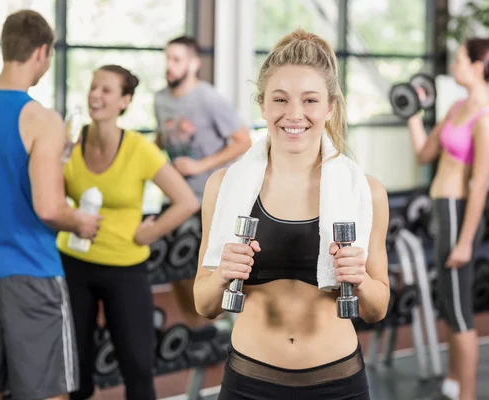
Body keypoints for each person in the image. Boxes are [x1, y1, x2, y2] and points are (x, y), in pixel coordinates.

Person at [194, 29, 390, 400]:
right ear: (263, 106)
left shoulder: (364, 191)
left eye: (310, 100)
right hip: (248, 383)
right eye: (280, 99)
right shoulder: (225, 187)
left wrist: (359, 279)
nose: (294, 114)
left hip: (338, 384)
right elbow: (204, 305)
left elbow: (377, 308)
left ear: (330, 106)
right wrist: (223, 273)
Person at [0, 9, 102, 400]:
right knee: (47, 393)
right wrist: (82, 223)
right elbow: (49, 207)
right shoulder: (40, 118)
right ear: (42, 52)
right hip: (28, 273)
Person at [55, 64, 199, 400]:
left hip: (125, 268)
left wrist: (149, 234)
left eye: (106, 90)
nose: (95, 95)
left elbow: (186, 201)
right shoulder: (72, 141)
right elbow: (52, 194)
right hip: (73, 262)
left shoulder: (138, 148)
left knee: (137, 366)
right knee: (75, 372)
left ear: (124, 100)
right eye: (93, 87)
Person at [406, 38, 489, 400]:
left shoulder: (488, 119)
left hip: (460, 213)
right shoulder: (456, 107)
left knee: (459, 311)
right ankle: (452, 380)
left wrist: (464, 241)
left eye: (461, 59)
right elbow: (423, 153)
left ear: (478, 67)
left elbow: (479, 185)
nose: (455, 64)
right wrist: (411, 111)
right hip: (441, 210)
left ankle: (468, 395)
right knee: (447, 304)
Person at [153, 35, 252, 337]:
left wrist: (200, 165)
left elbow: (243, 141)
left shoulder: (209, 99)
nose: (170, 65)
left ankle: (225, 324)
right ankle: (197, 328)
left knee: (204, 269)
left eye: (177, 59)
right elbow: (163, 140)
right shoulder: (160, 99)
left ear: (194, 63)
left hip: (210, 199)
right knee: (174, 267)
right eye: (167, 58)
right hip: (176, 197)